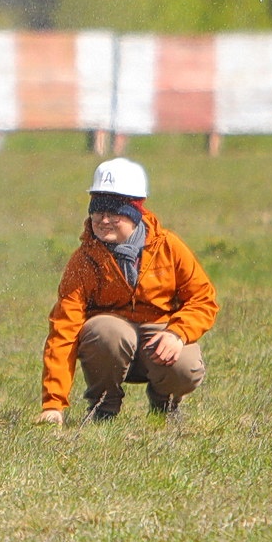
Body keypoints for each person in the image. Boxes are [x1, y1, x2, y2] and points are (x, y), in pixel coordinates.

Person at [37, 157, 219, 424]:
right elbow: (63, 330)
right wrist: (53, 404)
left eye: (115, 211)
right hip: (110, 347)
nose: (104, 220)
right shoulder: (83, 261)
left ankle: (164, 405)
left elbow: (203, 300)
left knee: (186, 367)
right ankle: (103, 407)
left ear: (135, 213)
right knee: (107, 331)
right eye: (98, 210)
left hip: (159, 338)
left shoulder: (169, 247)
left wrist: (178, 334)